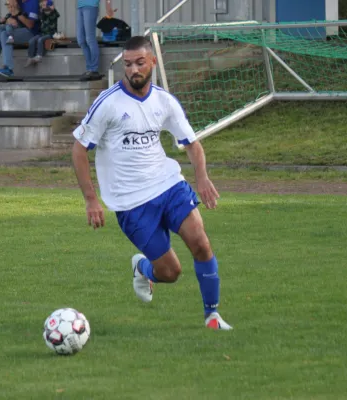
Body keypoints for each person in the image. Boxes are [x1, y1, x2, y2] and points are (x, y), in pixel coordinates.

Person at [71, 36, 233, 330]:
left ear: (153, 63)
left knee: (201, 243)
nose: (133, 69)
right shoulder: (107, 103)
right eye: (128, 64)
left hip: (168, 185)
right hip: (130, 201)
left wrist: (202, 178)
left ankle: (212, 315)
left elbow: (192, 145)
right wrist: (91, 199)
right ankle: (143, 267)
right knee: (171, 272)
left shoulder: (164, 101)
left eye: (139, 63)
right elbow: (79, 149)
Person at [0, 0, 40, 78]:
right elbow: (12, 17)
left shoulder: (33, 2)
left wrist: (18, 14)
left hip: (31, 33)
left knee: (4, 34)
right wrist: (9, 19)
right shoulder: (18, 1)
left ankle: (8, 69)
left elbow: (30, 25)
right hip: (18, 30)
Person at [76, 0, 116, 80]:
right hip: (80, 6)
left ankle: (93, 69)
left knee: (89, 38)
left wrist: (108, 7)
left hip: (91, 5)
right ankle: (89, 68)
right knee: (81, 40)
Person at [25, 0, 59, 67]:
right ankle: (30, 57)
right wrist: (42, 8)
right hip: (43, 33)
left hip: (51, 33)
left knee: (40, 40)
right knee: (31, 41)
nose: (44, 7)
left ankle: (39, 56)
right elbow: (42, 16)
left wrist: (49, 7)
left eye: (45, 5)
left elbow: (51, 13)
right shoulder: (42, 13)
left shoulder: (53, 13)